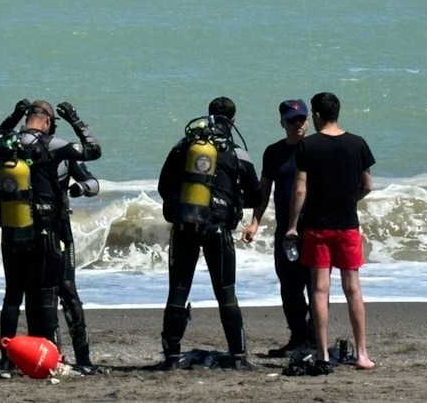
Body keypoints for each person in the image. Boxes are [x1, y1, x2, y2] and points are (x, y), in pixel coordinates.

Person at [0, 99, 101, 371]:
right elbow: (94, 153)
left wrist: (13, 115)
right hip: (53, 232)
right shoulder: (55, 147)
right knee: (59, 291)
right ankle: (66, 357)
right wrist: (75, 118)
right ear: (48, 123)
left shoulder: (8, 147)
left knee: (15, 294)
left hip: (14, 230)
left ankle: (7, 359)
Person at [157, 96, 262, 370]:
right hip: (218, 229)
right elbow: (255, 195)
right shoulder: (237, 152)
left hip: (185, 228)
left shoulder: (184, 146)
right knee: (226, 293)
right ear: (233, 120)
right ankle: (239, 357)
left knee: (178, 292)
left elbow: (163, 185)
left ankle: (170, 359)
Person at [283, 92, 376, 370]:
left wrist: (291, 226)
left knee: (320, 290)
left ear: (317, 116)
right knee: (353, 289)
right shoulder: (357, 143)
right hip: (347, 225)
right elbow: (367, 185)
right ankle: (362, 354)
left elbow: (300, 189)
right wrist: (350, 201)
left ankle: (323, 354)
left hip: (317, 227)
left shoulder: (307, 146)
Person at [241, 99, 314, 357]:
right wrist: (254, 222)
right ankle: (297, 337)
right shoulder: (273, 152)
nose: (298, 124)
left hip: (314, 226)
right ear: (282, 122)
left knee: (316, 284)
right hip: (286, 229)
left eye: (301, 119)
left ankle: (315, 339)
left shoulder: (316, 148)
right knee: (289, 286)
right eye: (292, 120)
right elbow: (264, 189)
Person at [54, 156, 100, 371]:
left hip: (60, 230)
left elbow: (93, 185)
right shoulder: (25, 150)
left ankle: (82, 357)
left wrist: (80, 188)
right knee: (46, 293)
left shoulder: (62, 153)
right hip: (40, 232)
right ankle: (51, 354)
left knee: (67, 290)